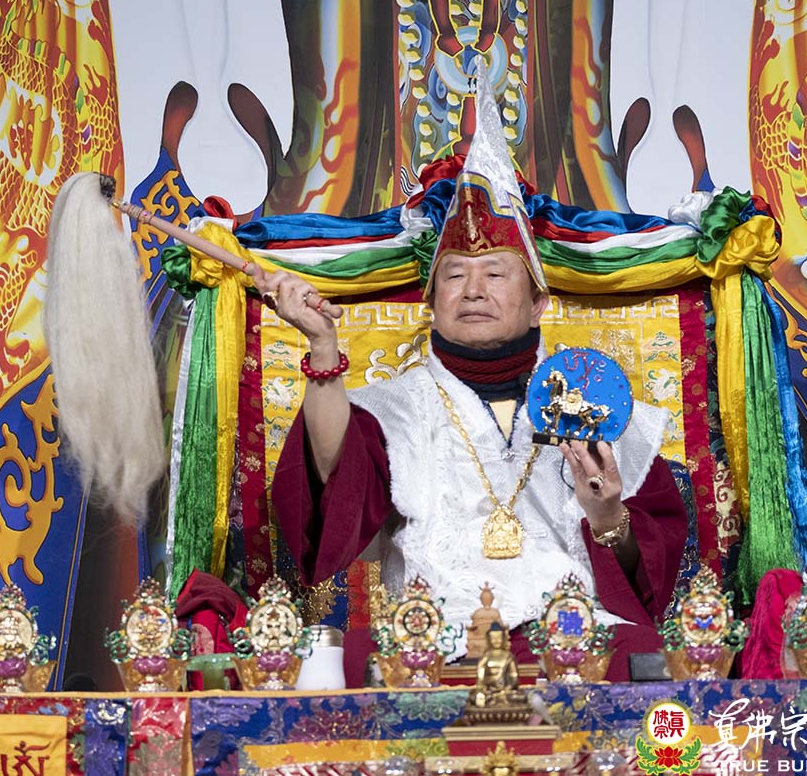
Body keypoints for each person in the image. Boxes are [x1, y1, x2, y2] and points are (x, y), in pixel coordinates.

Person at [257, 59, 687, 684]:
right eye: (455, 275)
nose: (474, 290)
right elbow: (331, 497)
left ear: (538, 302)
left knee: (640, 652)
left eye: (496, 274)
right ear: (431, 302)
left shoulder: (597, 402)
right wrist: (324, 347)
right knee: (347, 664)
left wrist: (607, 518)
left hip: (571, 634)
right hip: (430, 636)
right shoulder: (392, 408)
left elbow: (650, 580)